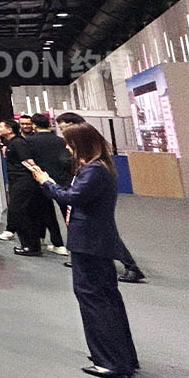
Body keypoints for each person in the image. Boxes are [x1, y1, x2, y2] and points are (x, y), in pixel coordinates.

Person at [28, 123, 139, 378]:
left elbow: (72, 197)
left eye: (70, 144)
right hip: (94, 242)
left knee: (94, 300)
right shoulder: (98, 168)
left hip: (89, 243)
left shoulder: (94, 171)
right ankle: (118, 356)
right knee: (105, 299)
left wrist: (46, 182)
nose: (67, 149)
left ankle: (110, 361)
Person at [56, 112, 146, 283]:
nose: (63, 133)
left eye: (65, 128)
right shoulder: (89, 152)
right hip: (85, 193)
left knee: (106, 235)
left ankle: (131, 267)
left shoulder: (93, 162)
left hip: (91, 198)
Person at [0, 119, 50, 255]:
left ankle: (31, 246)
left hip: (24, 182)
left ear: (9, 129)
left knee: (22, 213)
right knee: (19, 212)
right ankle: (28, 245)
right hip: (17, 181)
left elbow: (28, 161)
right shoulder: (10, 143)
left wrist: (40, 176)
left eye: (1, 126)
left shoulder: (18, 143)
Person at [28, 113, 71, 256]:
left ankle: (58, 243)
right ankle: (74, 245)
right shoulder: (61, 140)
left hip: (42, 180)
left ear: (34, 125)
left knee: (48, 214)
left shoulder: (30, 141)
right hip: (63, 180)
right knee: (69, 214)